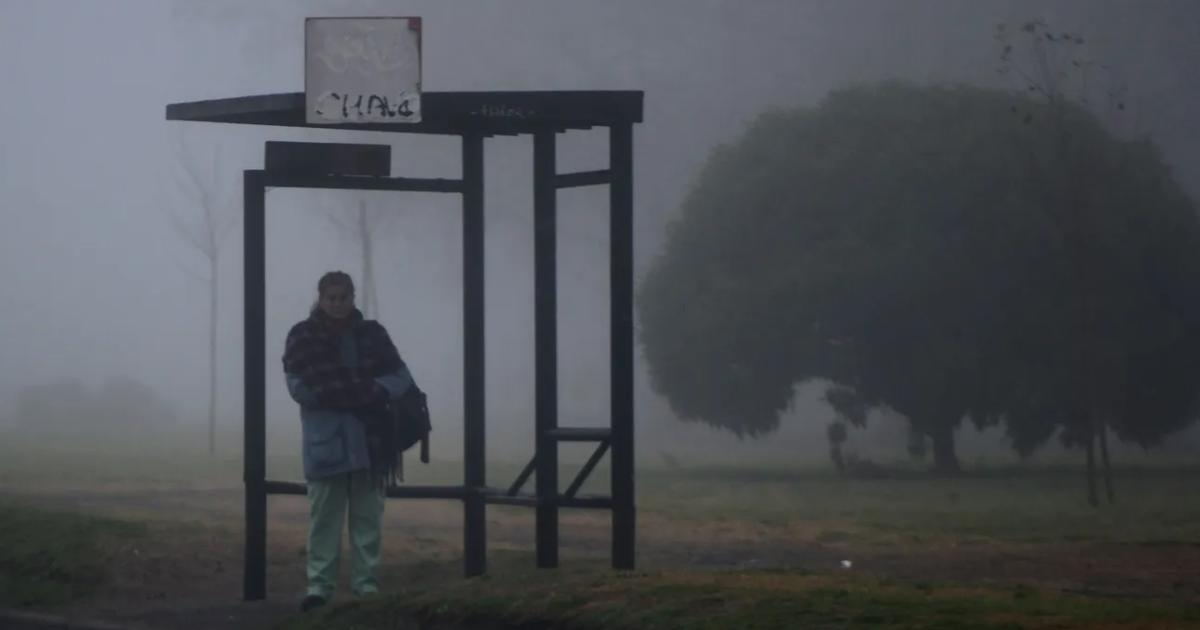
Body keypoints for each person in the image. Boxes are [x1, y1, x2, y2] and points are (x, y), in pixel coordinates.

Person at [282, 271, 412, 612]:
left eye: (343, 297)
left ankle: (366, 584)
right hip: (328, 443)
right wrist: (362, 392)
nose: (337, 304)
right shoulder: (302, 337)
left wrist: (366, 391)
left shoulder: (373, 335)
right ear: (321, 299)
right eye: (331, 298)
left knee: (367, 519)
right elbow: (298, 387)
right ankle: (319, 587)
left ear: (352, 298)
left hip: (371, 445)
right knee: (324, 520)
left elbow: (401, 377)